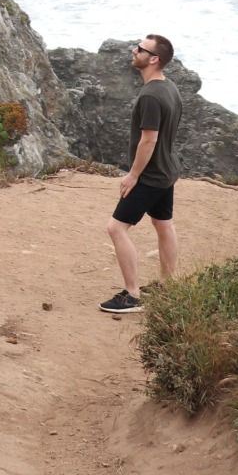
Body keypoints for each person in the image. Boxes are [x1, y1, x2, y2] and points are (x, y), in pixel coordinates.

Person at [99, 34, 181, 314]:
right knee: (163, 224)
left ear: (154, 59)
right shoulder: (170, 87)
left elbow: (149, 140)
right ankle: (168, 285)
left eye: (140, 49)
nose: (133, 51)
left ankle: (132, 295)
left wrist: (133, 175)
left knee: (116, 228)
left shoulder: (150, 96)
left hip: (149, 175)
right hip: (167, 170)